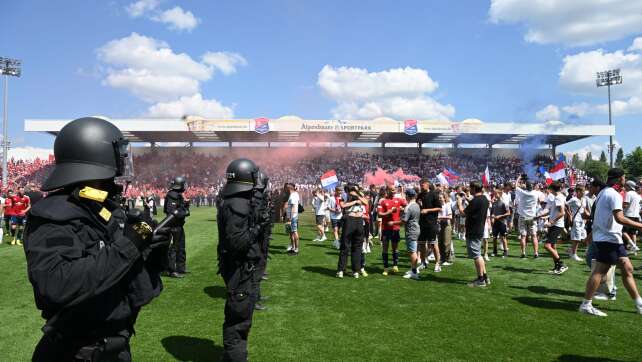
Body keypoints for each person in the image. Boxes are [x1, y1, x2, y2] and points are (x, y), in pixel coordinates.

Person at [24, 117, 169, 361]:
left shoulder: (102, 210)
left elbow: (127, 280)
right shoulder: (54, 215)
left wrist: (152, 249)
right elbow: (57, 284)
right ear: (96, 159)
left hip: (114, 348)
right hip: (75, 353)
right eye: (117, 156)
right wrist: (129, 245)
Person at [217, 158, 264, 360]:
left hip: (238, 267)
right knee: (238, 321)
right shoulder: (237, 204)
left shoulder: (233, 200)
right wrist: (257, 227)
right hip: (239, 269)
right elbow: (239, 243)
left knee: (240, 316)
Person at [579, 168, 642, 317]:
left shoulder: (603, 192)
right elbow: (619, 218)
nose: (625, 180)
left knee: (627, 268)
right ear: (620, 178)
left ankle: (639, 303)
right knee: (600, 271)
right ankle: (586, 304)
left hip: (611, 238)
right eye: (624, 177)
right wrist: (640, 225)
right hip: (609, 239)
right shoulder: (613, 194)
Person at [458, 181, 490, 287]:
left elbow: (463, 213)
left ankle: (481, 279)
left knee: (477, 256)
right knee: (478, 254)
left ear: (474, 189)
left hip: (473, 230)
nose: (469, 190)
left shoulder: (475, 201)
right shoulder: (485, 199)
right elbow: (475, 205)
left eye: (470, 188)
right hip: (479, 229)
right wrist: (468, 199)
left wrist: (459, 203)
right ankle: (484, 277)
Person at [336, 184, 368, 278]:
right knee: (346, 245)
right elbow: (342, 206)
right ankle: (342, 270)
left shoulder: (359, 195)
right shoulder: (345, 195)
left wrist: (357, 196)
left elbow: (366, 203)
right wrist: (354, 202)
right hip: (350, 219)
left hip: (358, 221)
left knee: (357, 246)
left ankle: (355, 271)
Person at [537, 182, 568, 274]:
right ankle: (557, 267)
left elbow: (562, 212)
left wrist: (551, 222)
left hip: (556, 225)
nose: (549, 190)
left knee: (547, 246)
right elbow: (552, 211)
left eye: (550, 189)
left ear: (552, 189)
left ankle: (562, 264)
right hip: (556, 224)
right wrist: (539, 216)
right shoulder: (559, 196)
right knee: (553, 246)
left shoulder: (558, 197)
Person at [390, 188, 421, 280]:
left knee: (412, 251)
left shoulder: (409, 207)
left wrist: (393, 223)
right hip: (416, 228)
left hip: (411, 230)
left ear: (407, 196)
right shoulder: (416, 205)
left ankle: (414, 272)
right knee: (413, 250)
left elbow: (403, 221)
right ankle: (413, 269)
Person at [165, 176, 190, 278]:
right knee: (174, 248)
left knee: (181, 247)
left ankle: (181, 268)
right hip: (173, 226)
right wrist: (185, 211)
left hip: (179, 225)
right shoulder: (172, 195)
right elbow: (173, 212)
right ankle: (172, 270)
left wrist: (185, 204)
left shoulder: (177, 195)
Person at [378, 186, 406, 275]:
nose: (394, 191)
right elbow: (379, 214)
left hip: (395, 228)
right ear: (388, 190)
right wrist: (389, 212)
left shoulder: (398, 200)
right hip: (386, 229)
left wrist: (403, 209)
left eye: (394, 190)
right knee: (385, 248)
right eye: (392, 190)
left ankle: (395, 265)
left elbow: (407, 205)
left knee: (395, 248)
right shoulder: (383, 201)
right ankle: (385, 268)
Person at [417, 178, 442, 273]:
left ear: (427, 184)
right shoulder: (420, 195)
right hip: (422, 223)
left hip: (432, 223)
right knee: (422, 244)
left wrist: (428, 210)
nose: (421, 186)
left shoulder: (434, 194)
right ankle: (423, 262)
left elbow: (439, 208)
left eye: (422, 184)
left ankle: (437, 263)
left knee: (433, 243)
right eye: (420, 185)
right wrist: (418, 205)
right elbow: (418, 206)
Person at [515, 176, 540, 258]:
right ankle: (536, 253)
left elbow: (516, 185)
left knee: (523, 236)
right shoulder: (535, 194)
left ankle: (523, 253)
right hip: (532, 217)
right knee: (534, 235)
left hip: (522, 216)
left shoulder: (522, 192)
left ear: (526, 186)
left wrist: (519, 178)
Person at [566, 185, 588, 262]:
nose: (584, 193)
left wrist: (588, 217)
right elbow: (565, 205)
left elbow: (584, 209)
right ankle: (574, 254)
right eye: (583, 191)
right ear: (578, 192)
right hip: (576, 220)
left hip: (582, 221)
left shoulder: (584, 199)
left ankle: (571, 250)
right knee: (577, 238)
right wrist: (569, 215)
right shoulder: (574, 199)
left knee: (581, 237)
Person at [490, 189, 510, 258]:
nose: (495, 195)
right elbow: (492, 213)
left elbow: (508, 213)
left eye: (496, 194)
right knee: (494, 238)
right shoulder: (494, 203)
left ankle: (505, 251)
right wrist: (492, 217)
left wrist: (500, 216)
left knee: (503, 237)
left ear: (500, 194)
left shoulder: (504, 203)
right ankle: (494, 251)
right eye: (494, 194)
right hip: (495, 222)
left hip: (502, 222)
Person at [623, 180, 641, 253]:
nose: (625, 187)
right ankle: (634, 248)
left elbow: (625, 205)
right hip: (636, 215)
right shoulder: (637, 195)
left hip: (628, 215)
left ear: (629, 186)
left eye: (626, 185)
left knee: (622, 231)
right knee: (633, 233)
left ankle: (632, 245)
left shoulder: (629, 193)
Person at [437, 192, 454, 266]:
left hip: (446, 225)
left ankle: (448, 259)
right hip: (440, 224)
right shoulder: (438, 206)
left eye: (441, 197)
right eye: (439, 198)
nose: (440, 199)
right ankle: (442, 258)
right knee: (440, 242)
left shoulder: (447, 205)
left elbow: (450, 217)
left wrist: (440, 217)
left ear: (444, 198)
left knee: (446, 243)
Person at [285, 183, 300, 255]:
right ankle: (293, 248)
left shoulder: (293, 195)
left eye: (286, 188)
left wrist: (290, 218)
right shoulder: (294, 194)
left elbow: (293, 207)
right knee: (291, 233)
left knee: (294, 232)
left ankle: (296, 250)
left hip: (293, 217)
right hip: (292, 216)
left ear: (289, 188)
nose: (285, 190)